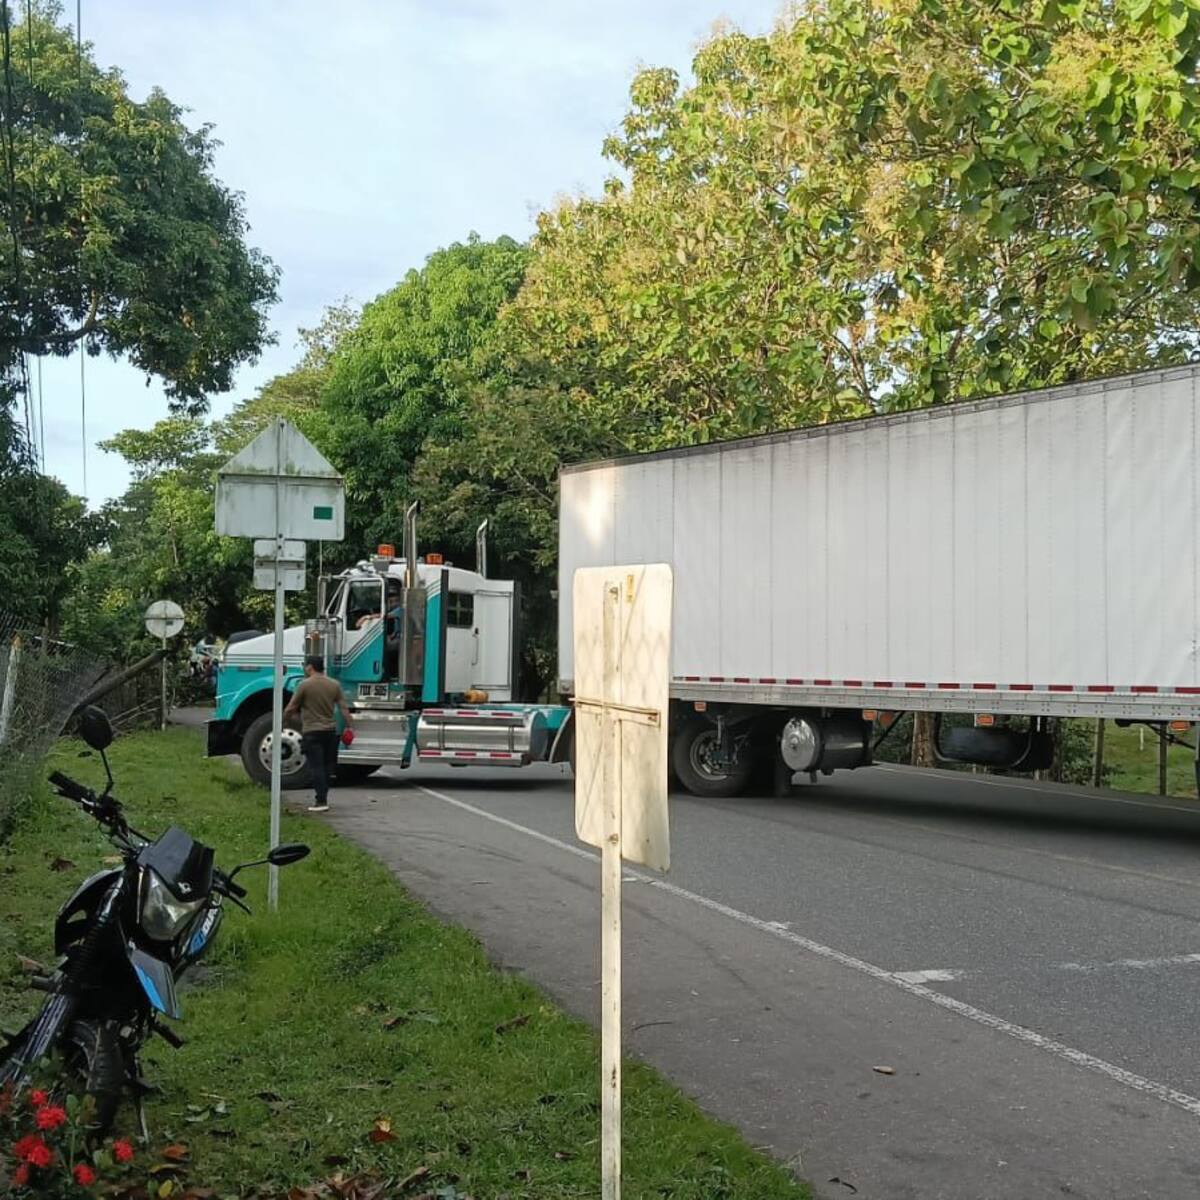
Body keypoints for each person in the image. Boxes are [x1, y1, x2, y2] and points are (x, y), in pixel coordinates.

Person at [284, 655, 353, 813]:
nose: (304, 668)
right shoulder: (334, 684)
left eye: (305, 665)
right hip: (330, 731)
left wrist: (283, 722)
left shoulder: (304, 685)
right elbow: (343, 708)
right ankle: (324, 796)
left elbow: (291, 707)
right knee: (328, 767)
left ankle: (321, 800)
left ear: (310, 667)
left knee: (316, 767)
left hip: (312, 731)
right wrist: (350, 726)